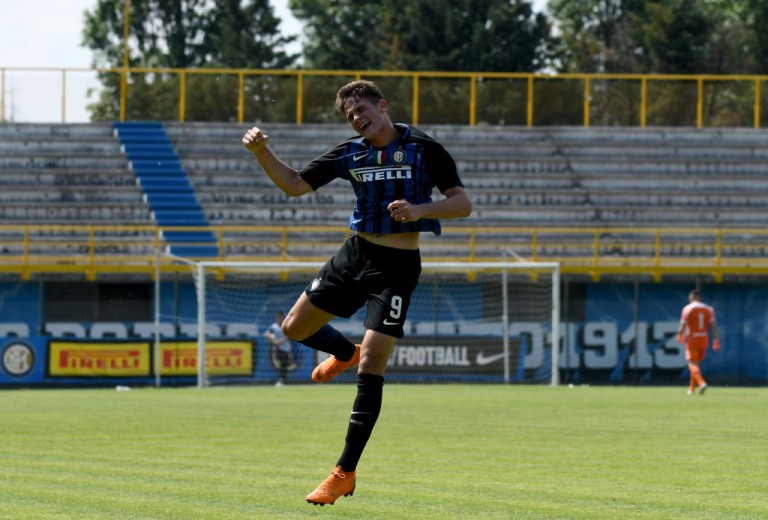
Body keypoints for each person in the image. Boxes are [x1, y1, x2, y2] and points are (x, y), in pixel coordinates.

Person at [242, 79, 472, 506]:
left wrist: (420, 210)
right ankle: (343, 352)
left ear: (382, 106)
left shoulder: (425, 148)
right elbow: (295, 184)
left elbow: (462, 203)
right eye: (349, 115)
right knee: (293, 328)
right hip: (355, 254)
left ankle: (343, 472)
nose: (355, 118)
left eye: (361, 109)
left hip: (397, 269)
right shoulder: (351, 152)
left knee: (373, 364)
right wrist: (260, 153)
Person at [676, 289, 720, 395]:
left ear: (692, 297)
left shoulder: (687, 308)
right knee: (696, 365)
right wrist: (716, 340)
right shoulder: (709, 309)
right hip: (703, 339)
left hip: (692, 339)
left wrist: (680, 335)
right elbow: (714, 326)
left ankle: (701, 383)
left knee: (691, 363)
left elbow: (682, 325)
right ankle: (691, 389)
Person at [263, 310, 294, 387]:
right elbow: (266, 334)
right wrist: (273, 341)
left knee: (285, 364)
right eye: (278, 318)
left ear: (283, 318)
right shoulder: (273, 326)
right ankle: (281, 380)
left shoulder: (286, 325)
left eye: (281, 317)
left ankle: (284, 380)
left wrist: (279, 342)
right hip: (278, 349)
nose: (279, 319)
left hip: (286, 348)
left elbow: (288, 338)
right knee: (281, 364)